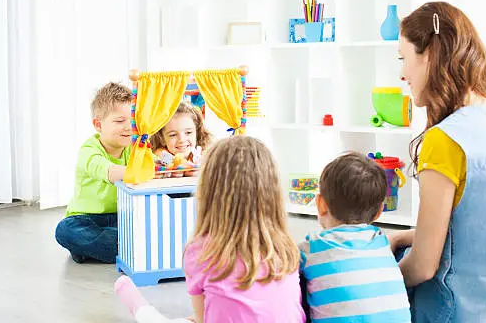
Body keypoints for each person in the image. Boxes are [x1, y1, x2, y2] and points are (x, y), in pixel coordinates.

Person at [389, 1, 486, 321]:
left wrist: (381, 283)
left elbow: (423, 267)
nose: (402, 73)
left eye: (403, 58)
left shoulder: (446, 140)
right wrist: (405, 236)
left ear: (430, 56)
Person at [115, 136, 306, 323]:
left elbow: (202, 319)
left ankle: (142, 310)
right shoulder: (287, 248)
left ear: (208, 192)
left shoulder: (201, 251)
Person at [299, 152, 410, 322]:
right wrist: (398, 237)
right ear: (379, 212)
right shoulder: (379, 241)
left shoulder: (311, 248)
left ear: (321, 204)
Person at [54, 82, 133, 264]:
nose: (129, 127)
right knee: (66, 230)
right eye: (120, 121)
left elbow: (154, 162)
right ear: (98, 124)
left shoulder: (133, 149)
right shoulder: (89, 150)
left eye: (132, 120)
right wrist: (140, 171)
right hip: (86, 219)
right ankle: (125, 246)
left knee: (141, 226)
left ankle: (103, 248)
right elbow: (110, 172)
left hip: (121, 217)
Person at [150, 101, 212, 177]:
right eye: (173, 135)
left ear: (197, 133)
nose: (182, 140)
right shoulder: (160, 157)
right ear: (162, 139)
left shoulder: (204, 154)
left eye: (188, 132)